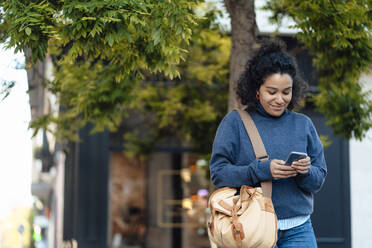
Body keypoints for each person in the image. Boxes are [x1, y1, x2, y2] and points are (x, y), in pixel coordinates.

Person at [209, 39, 327, 248]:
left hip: (299, 229)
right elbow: (219, 173)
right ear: (256, 90)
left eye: (286, 92)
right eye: (272, 92)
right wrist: (260, 171)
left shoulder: (303, 124)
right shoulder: (235, 123)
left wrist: (304, 171)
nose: (280, 99)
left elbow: (317, 180)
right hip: (252, 229)